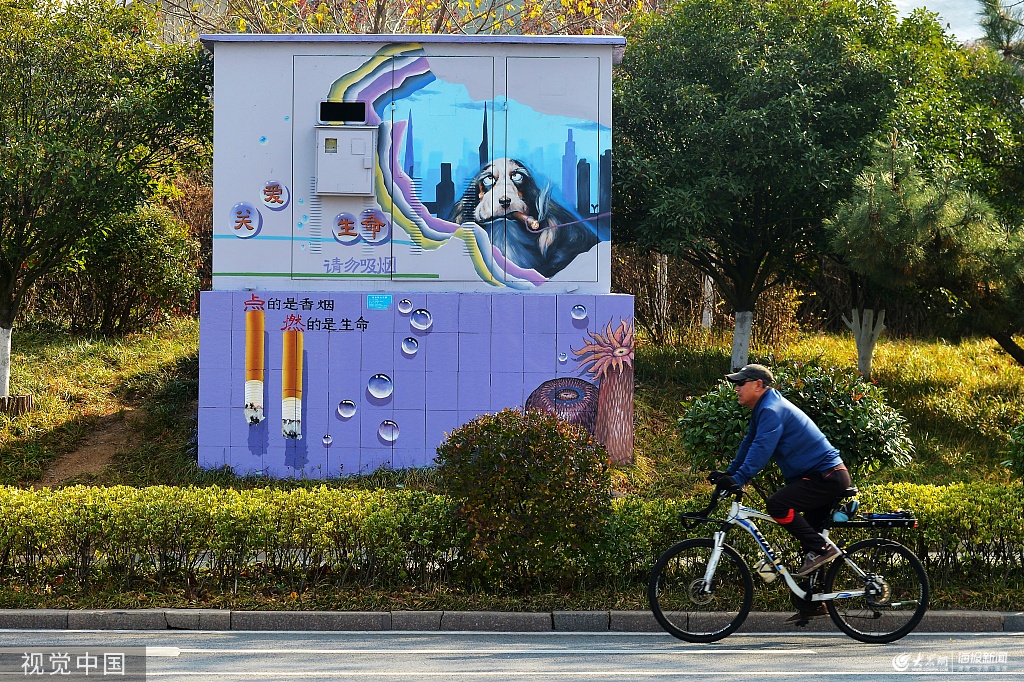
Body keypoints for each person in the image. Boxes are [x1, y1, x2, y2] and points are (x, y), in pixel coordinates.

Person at [708, 363, 852, 623]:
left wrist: (740, 479)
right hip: (820, 477)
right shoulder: (763, 409)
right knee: (807, 545)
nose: (737, 388)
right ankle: (812, 604)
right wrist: (730, 475)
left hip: (827, 477)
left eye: (741, 383)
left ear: (759, 385)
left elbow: (762, 448)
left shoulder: (772, 410)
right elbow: (748, 445)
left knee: (778, 505)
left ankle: (823, 547)